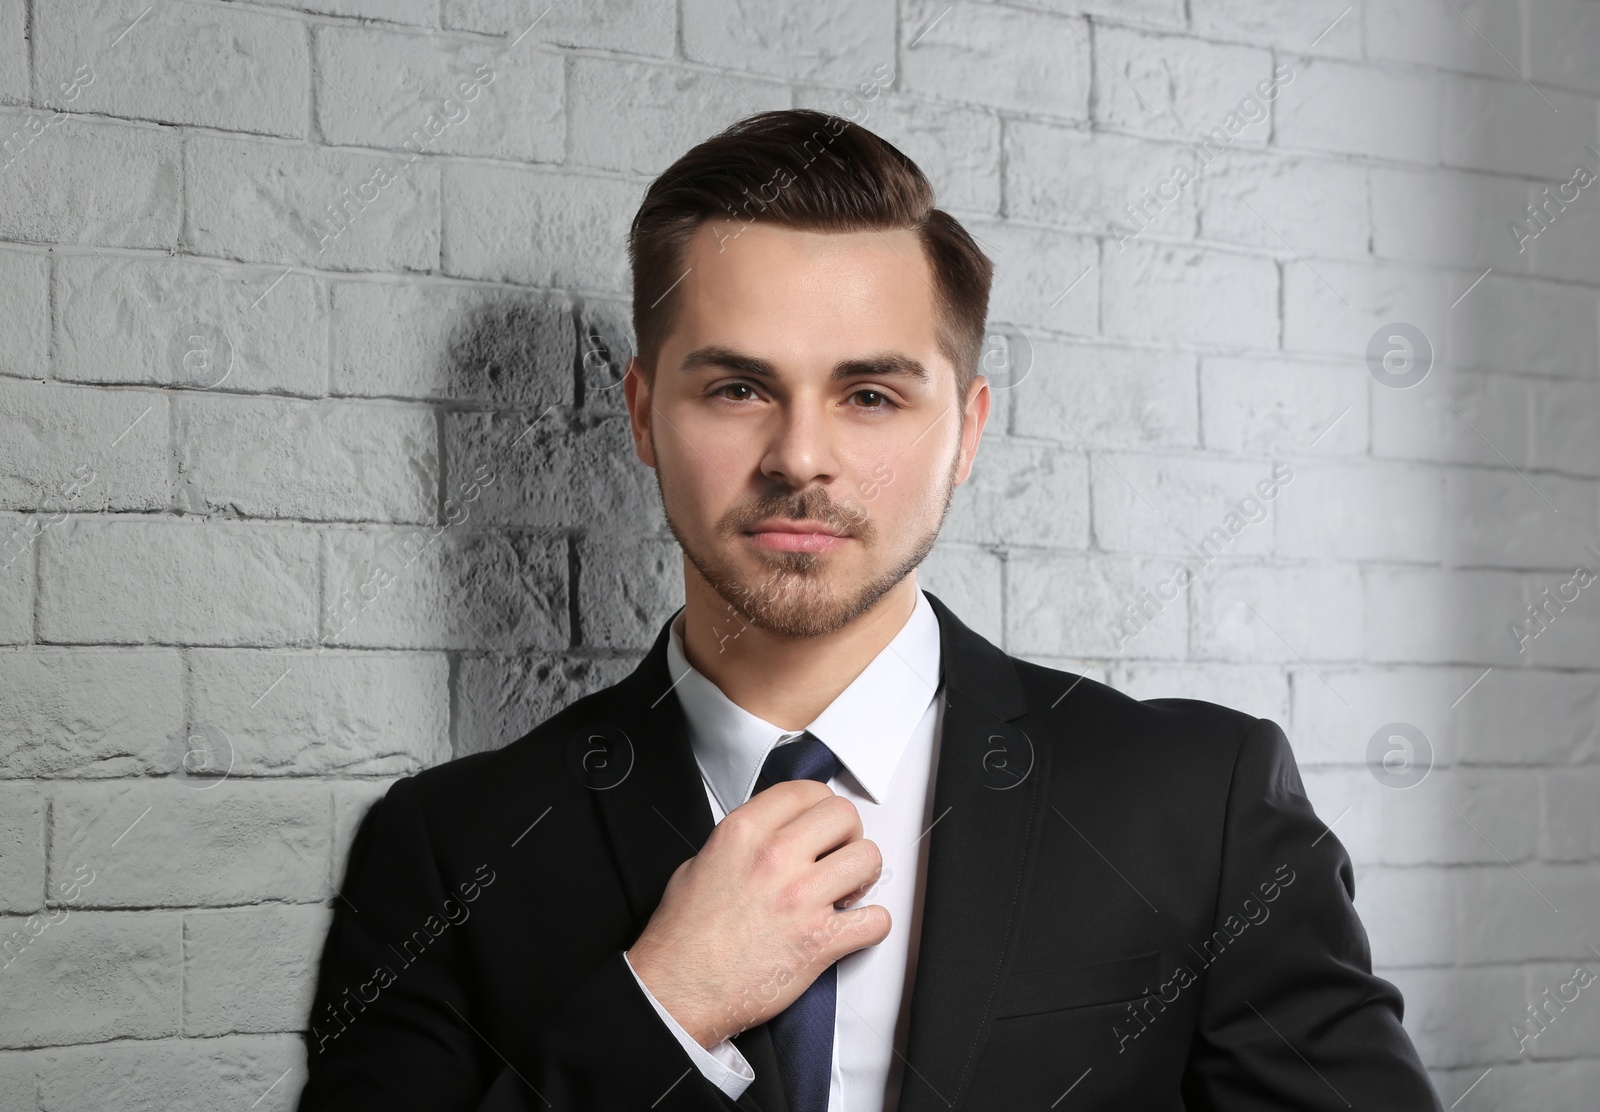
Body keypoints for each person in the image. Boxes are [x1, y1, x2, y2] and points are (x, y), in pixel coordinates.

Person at [296, 109, 1443, 1112]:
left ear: (968, 429)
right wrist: (667, 1003)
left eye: (872, 393)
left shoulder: (1200, 809)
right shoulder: (453, 849)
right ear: (643, 414)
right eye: (737, 387)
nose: (801, 456)